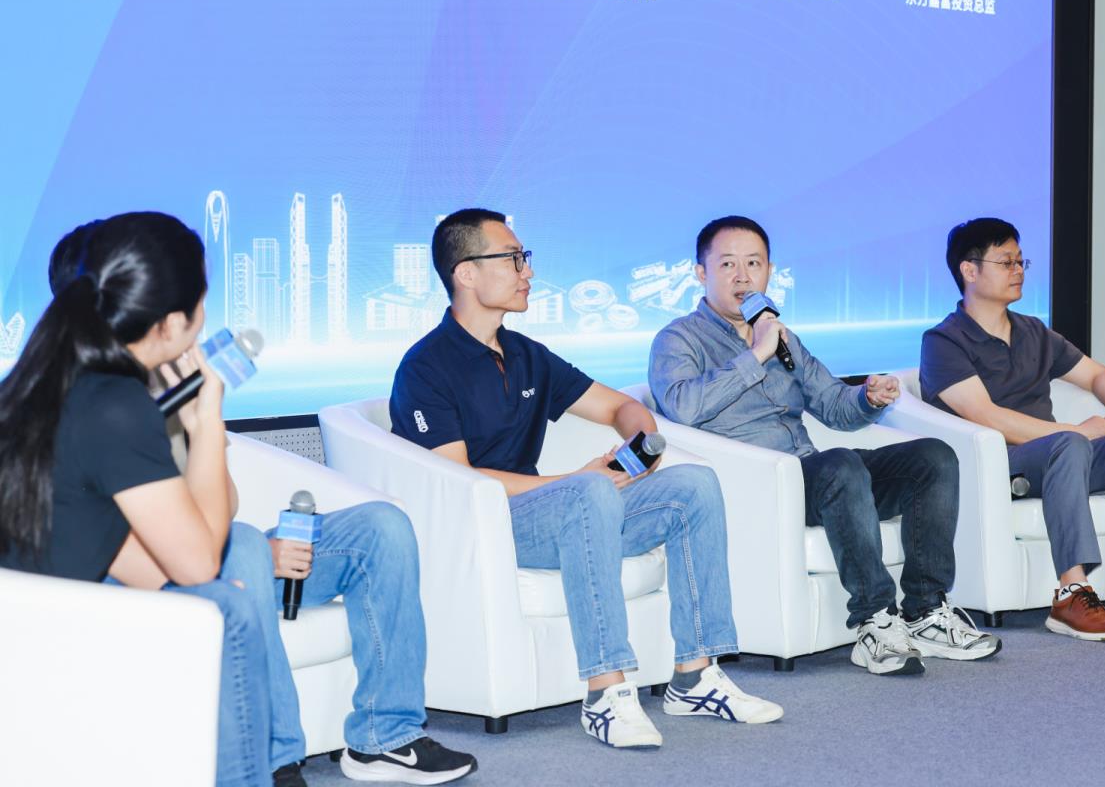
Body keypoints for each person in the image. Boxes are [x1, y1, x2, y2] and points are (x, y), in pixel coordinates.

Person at [46, 222, 477, 786]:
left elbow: (221, 503)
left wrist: (203, 422)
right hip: (147, 577)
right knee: (246, 545)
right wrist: (248, 549)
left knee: (380, 527)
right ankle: (274, 763)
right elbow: (164, 558)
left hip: (199, 552)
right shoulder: (101, 406)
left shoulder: (164, 386)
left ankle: (385, 736)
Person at [390, 208, 783, 749]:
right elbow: (456, 478)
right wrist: (575, 480)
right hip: (487, 524)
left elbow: (619, 406)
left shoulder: (526, 355)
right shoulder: (426, 367)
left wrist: (641, 446)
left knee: (693, 485)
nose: (528, 271)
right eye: (513, 259)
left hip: (568, 512)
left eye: (524, 258)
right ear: (466, 273)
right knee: (589, 490)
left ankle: (695, 677)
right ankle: (605, 691)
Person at [649, 215, 1000, 676]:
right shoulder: (678, 339)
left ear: (769, 271)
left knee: (932, 457)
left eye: (754, 263)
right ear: (701, 273)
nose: (742, 277)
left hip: (816, 478)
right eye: (728, 264)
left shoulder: (783, 338)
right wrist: (755, 354)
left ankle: (925, 611)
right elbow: (681, 407)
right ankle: (875, 620)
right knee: (839, 467)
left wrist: (868, 398)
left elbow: (834, 405)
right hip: (754, 486)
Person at [0, 212, 271, 785]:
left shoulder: (41, 383)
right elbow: (198, 563)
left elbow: (118, 550)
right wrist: (205, 421)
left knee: (218, 599)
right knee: (226, 610)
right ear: (171, 324)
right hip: (49, 645)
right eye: (202, 301)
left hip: (24, 627)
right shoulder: (116, 405)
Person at [921, 217, 1105, 640]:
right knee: (1068, 443)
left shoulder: (1033, 331)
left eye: (1021, 261)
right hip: (1002, 465)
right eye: (1006, 262)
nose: (1018, 270)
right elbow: (986, 416)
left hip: (1060, 457)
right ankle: (1072, 593)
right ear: (969, 270)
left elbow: (1098, 375)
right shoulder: (944, 341)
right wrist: (1078, 431)